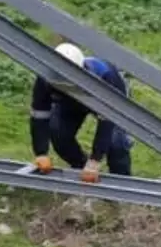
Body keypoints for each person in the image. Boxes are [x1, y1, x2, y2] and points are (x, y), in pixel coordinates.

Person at [29, 42, 133, 183]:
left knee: (116, 143)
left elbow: (107, 121)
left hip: (106, 101)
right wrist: (41, 152)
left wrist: (95, 159)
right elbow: (39, 115)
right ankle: (81, 169)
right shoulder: (45, 78)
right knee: (58, 132)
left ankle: (122, 186)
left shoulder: (105, 75)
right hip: (69, 103)